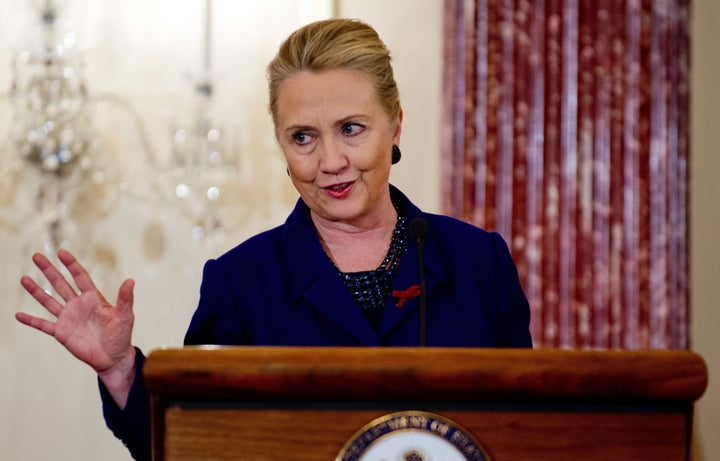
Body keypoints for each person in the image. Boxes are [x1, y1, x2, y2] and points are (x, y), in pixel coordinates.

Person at [15, 18, 532, 461]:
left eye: (351, 128)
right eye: (302, 137)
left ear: (394, 126)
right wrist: (122, 368)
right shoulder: (241, 281)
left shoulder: (476, 263)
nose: (330, 162)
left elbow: (531, 431)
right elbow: (196, 445)